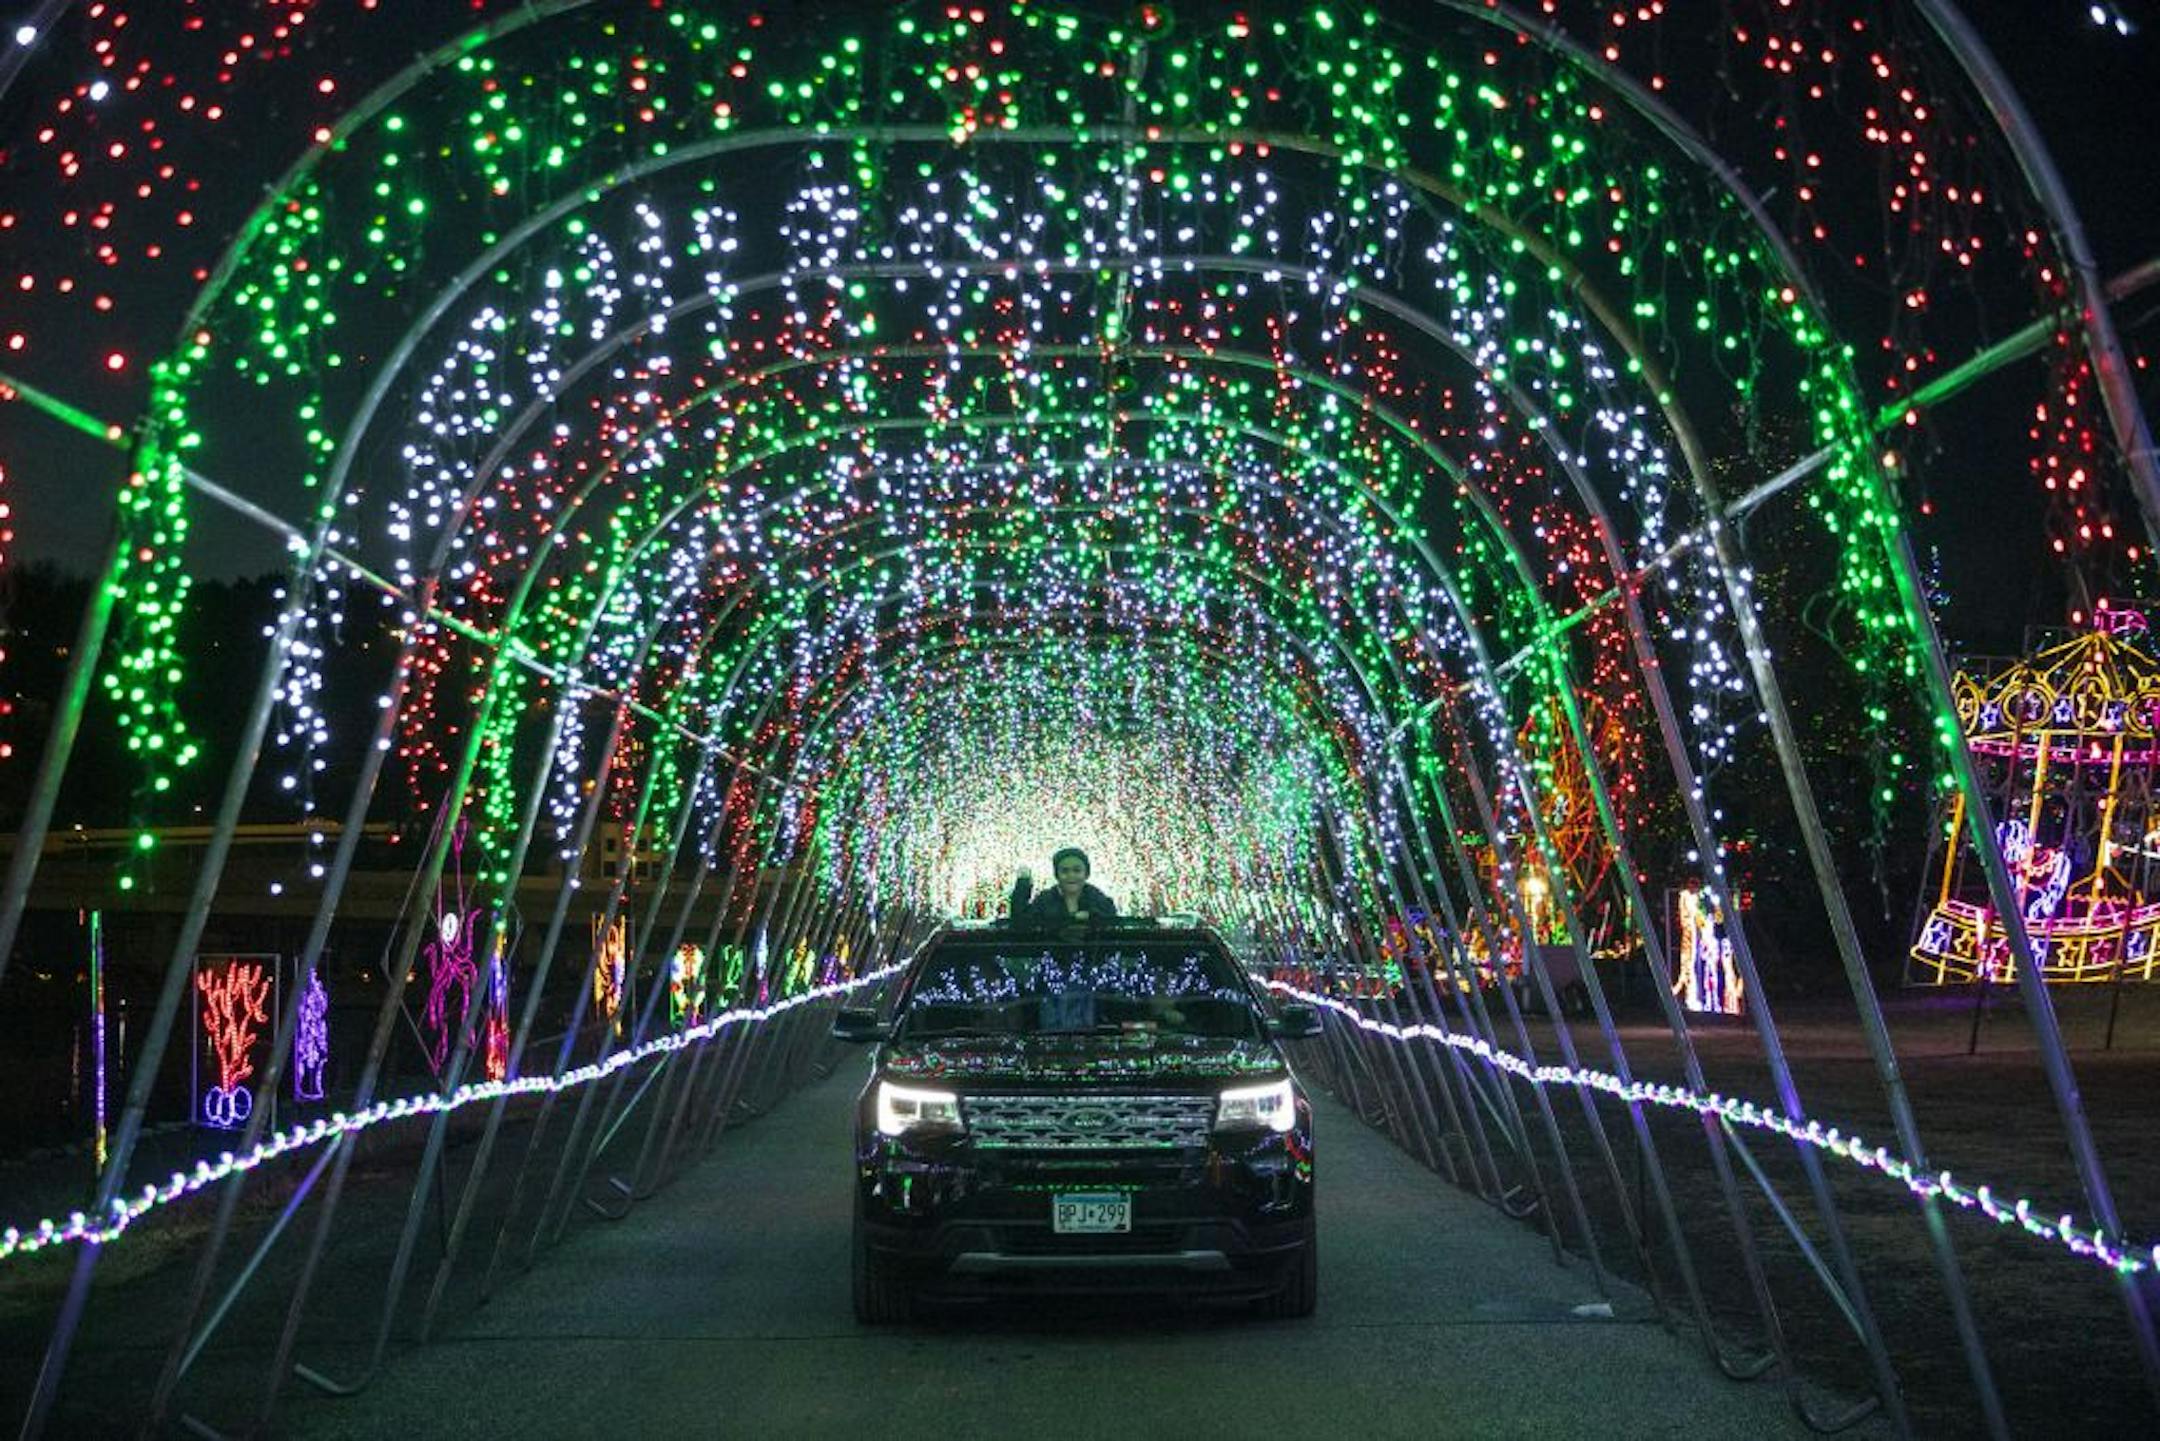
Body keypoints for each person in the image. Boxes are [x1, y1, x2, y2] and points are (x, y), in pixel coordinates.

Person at [1009, 846, 1118, 930]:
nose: (1071, 876)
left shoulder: (1098, 898)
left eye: (1077, 870)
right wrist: (1023, 884)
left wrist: (1091, 916)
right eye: (1065, 871)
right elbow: (1020, 922)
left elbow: (1110, 920)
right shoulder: (1044, 899)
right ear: (1057, 875)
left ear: (1086, 874)